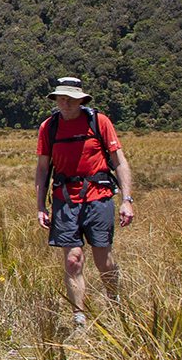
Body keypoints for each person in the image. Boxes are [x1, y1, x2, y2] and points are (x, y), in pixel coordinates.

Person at [34, 76, 135, 329]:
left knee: (104, 260)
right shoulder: (49, 127)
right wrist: (40, 206)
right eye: (61, 99)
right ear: (56, 100)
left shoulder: (99, 122)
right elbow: (43, 169)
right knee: (73, 260)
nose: (66, 104)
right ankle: (79, 317)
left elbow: (119, 162)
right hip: (65, 201)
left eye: (71, 99)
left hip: (99, 199)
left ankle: (114, 301)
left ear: (81, 100)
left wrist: (127, 200)